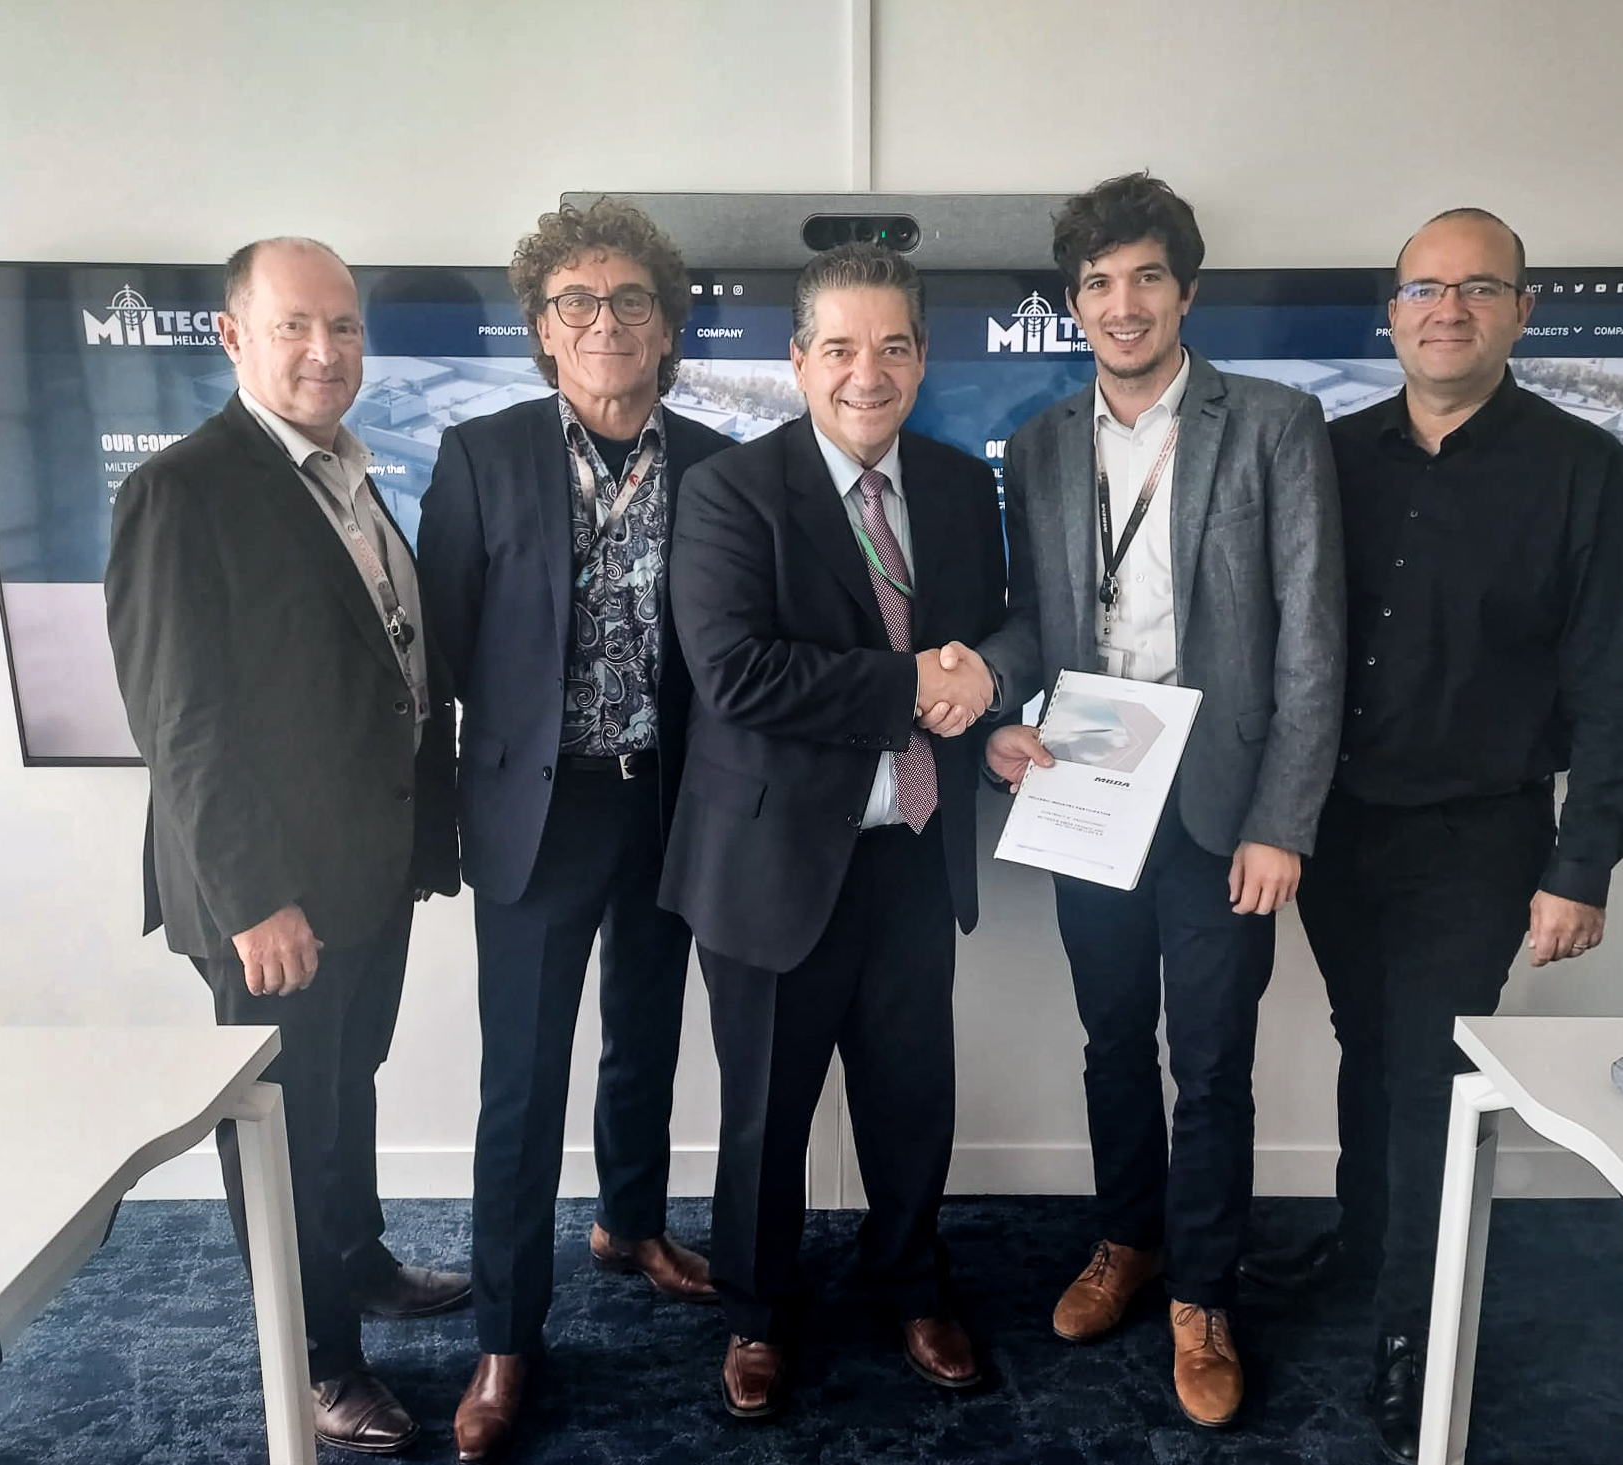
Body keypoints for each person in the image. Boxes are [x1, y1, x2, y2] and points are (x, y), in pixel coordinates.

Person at [1237, 207, 1623, 1463]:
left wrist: (1582, 863)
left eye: (1480, 288)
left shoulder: (1586, 470)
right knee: (1366, 1044)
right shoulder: (1331, 453)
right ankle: (1364, 1242)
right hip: (1333, 827)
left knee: (1431, 1073)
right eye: (1426, 287)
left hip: (1478, 838)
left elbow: (1619, 686)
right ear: (1392, 312)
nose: (1449, 309)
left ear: (1523, 312)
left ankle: (1411, 1331)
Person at [972, 173, 1345, 1430]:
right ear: (1073, 302)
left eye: (1145, 277)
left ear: (1186, 291)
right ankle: (1126, 1240)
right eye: (1097, 283)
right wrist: (999, 702)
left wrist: (1283, 819)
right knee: (1111, 1039)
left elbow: (1312, 642)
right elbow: (1035, 617)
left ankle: (1203, 1295)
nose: (1121, 304)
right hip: (1091, 781)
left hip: (1224, 803)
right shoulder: (1040, 444)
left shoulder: (1275, 425)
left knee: (1216, 1061)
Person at [105, 237, 467, 1456]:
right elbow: (181, 722)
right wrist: (255, 898)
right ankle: (312, 1360)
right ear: (232, 336)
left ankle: (358, 1263)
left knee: (343, 1092)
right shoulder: (184, 490)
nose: (326, 351)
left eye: (345, 327)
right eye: (296, 326)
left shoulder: (348, 473)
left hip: (364, 875)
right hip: (272, 898)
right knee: (284, 1129)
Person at [661, 241, 1007, 1419]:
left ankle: (911, 1281)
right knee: (765, 1109)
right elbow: (736, 673)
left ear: (924, 358)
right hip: (770, 860)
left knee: (913, 1096)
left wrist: (988, 692)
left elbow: (989, 636)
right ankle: (757, 1312)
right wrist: (913, 685)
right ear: (800, 359)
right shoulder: (730, 490)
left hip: (911, 848)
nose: (870, 373)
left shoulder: (957, 485)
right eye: (843, 348)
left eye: (894, 347)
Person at [415, 198, 733, 1462]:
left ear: (667, 325)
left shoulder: (717, 462)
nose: (606, 323)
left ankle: (631, 1222)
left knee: (646, 1035)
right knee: (523, 1078)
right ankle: (507, 1335)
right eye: (578, 303)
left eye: (631, 301)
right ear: (544, 328)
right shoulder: (479, 456)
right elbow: (441, 652)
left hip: (669, 799)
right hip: (536, 813)